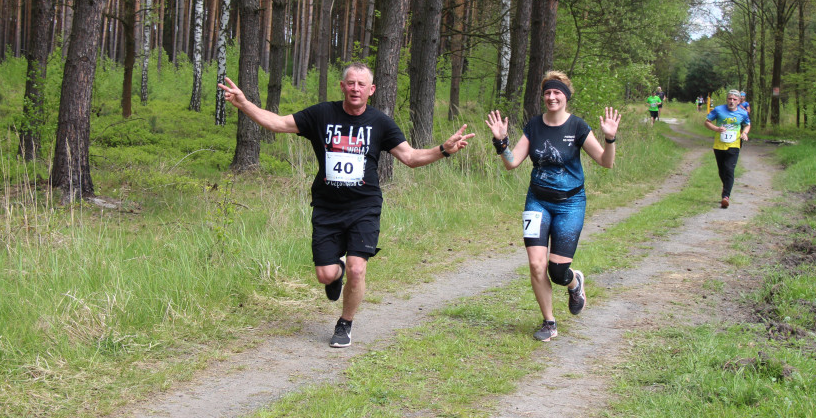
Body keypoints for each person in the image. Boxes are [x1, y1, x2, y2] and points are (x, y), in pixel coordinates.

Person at [218, 63, 474, 348]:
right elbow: (277, 123)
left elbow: (411, 157)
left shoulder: (380, 123)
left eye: (361, 85)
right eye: (350, 83)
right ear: (342, 86)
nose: (355, 89)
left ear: (371, 90)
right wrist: (244, 104)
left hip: (364, 206)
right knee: (325, 274)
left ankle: (345, 322)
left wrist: (442, 150)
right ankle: (334, 273)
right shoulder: (322, 115)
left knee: (357, 268)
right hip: (327, 207)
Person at [485, 71, 621, 342]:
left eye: (557, 92)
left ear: (566, 96)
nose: (551, 97)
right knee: (537, 265)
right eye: (547, 92)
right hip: (537, 202)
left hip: (570, 204)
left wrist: (610, 139)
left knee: (557, 272)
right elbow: (512, 163)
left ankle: (574, 282)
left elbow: (606, 163)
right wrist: (501, 142)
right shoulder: (534, 126)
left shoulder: (578, 127)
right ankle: (549, 322)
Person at [704, 89, 751, 209]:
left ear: (739, 101)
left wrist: (744, 133)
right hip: (719, 145)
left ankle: (726, 196)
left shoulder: (742, 113)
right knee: (722, 170)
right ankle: (726, 188)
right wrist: (716, 129)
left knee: (729, 169)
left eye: (734, 99)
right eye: (730, 99)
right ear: (727, 99)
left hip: (734, 144)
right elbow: (707, 122)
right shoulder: (719, 110)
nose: (732, 101)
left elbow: (747, 124)